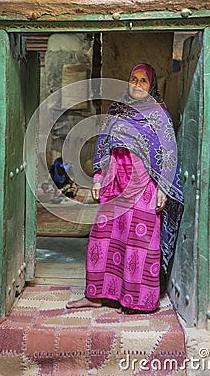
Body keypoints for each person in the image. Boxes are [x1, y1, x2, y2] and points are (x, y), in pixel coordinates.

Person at [66, 63, 184, 313]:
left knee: (138, 243)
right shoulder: (117, 110)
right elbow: (103, 143)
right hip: (114, 184)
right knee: (103, 239)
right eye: (134, 79)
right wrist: (97, 177)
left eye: (143, 80)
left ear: (151, 85)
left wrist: (163, 187)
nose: (138, 84)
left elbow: (168, 153)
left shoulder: (158, 115)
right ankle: (96, 295)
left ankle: (136, 300)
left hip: (144, 187)